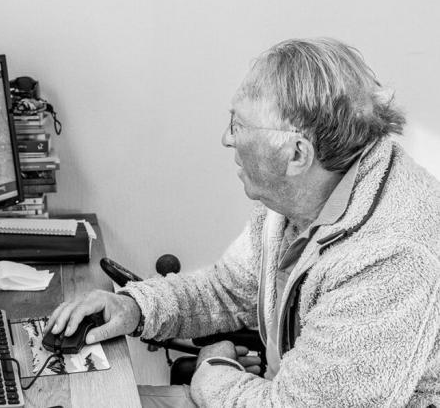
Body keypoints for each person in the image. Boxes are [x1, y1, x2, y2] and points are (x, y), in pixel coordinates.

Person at [44, 38, 440, 407]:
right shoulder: (301, 197)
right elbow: (227, 289)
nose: (227, 140)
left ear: (296, 154)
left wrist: (213, 372)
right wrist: (133, 307)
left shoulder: (390, 256)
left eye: (238, 125)